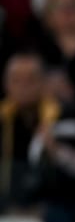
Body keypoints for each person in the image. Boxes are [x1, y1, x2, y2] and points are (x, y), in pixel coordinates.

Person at [0, 52, 60, 211]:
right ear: (6, 84)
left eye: (31, 80)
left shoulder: (62, 118)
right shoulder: (2, 120)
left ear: (44, 83)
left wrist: (56, 152)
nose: (23, 87)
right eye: (16, 80)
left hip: (50, 205)